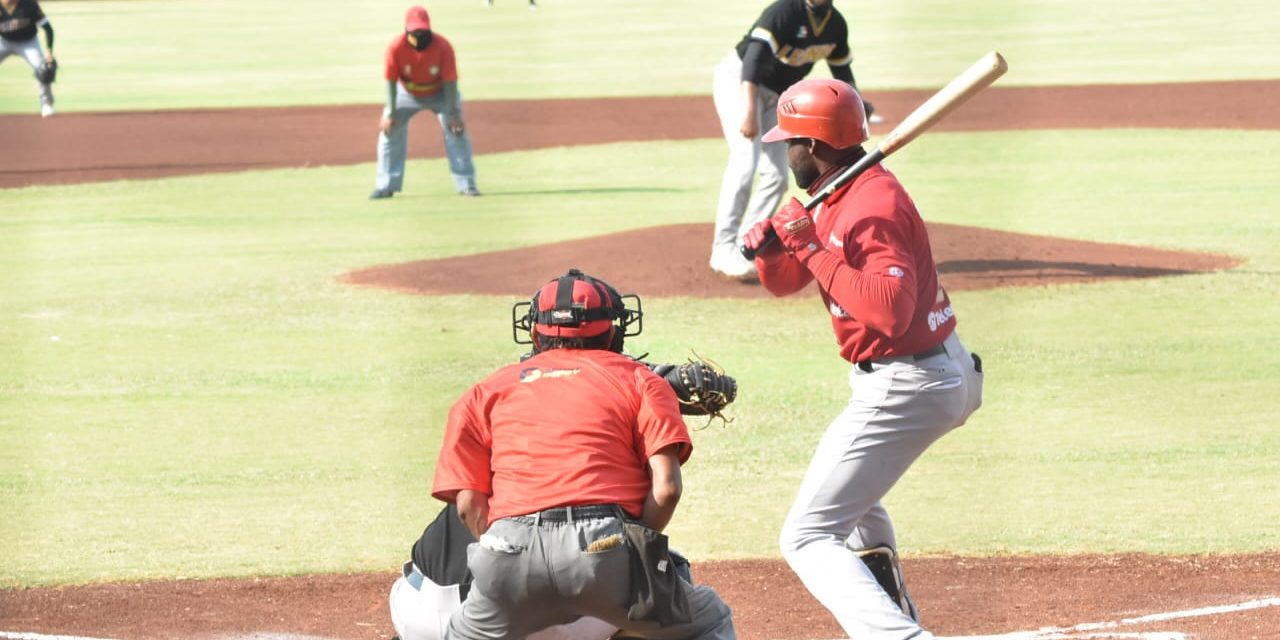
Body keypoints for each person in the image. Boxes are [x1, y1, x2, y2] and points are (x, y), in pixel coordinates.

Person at [742, 78, 983, 639]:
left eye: (791, 141)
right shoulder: (834, 193)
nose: (784, 149)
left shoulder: (874, 202)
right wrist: (775, 253)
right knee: (853, 510)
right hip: (912, 374)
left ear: (817, 143)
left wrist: (806, 243)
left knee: (805, 536)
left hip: (913, 379)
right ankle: (895, 609)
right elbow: (788, 283)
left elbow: (890, 312)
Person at [430, 268, 736, 640]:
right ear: (613, 330)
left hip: (506, 553)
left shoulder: (484, 391)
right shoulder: (641, 380)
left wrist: (509, 549)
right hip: (603, 548)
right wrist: (629, 549)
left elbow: (468, 507)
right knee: (708, 618)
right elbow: (667, 488)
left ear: (533, 331)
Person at [709, 0, 874, 281]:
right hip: (741, 83)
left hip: (777, 95)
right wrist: (749, 111)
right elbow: (753, 59)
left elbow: (842, 72)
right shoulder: (784, 12)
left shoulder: (835, 25)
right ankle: (722, 249)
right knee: (745, 161)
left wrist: (857, 106)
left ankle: (746, 244)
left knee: (777, 175)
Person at [388, 503, 695, 640]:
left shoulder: (501, 436)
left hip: (416, 612)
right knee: (667, 575)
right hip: (503, 626)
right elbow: (665, 492)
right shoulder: (601, 462)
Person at [371, 5, 479, 200]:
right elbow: (390, 82)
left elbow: (450, 82)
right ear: (406, 30)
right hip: (407, 93)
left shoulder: (443, 46)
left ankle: (466, 185)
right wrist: (391, 114)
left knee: (456, 133)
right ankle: (385, 185)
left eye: (423, 31)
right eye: (415, 32)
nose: (419, 35)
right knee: (389, 132)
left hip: (440, 94)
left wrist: (454, 114)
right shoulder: (395, 47)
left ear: (429, 28)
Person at [0, 0, 56, 117]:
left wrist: (49, 51)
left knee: (44, 69)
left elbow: (48, 28)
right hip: (4, 42)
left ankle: (46, 104)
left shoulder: (29, 4)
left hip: (28, 43)